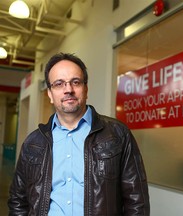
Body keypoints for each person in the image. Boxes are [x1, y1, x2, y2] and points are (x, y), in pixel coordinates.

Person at [8, 52, 150, 215]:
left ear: (86, 88)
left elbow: (137, 201)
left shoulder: (117, 134)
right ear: (50, 94)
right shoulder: (33, 142)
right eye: (59, 84)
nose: (68, 89)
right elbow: (18, 201)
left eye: (75, 82)